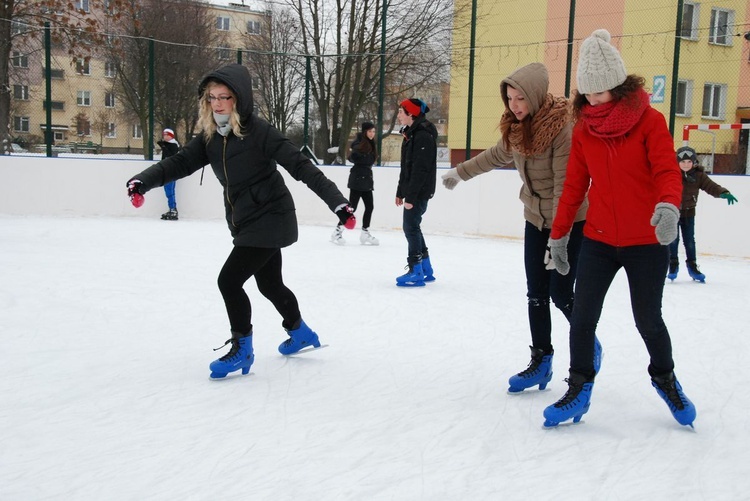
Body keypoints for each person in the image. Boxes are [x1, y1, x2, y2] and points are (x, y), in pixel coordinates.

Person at [126, 64, 355, 379]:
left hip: (272, 218)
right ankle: (300, 332)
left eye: (225, 97)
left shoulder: (258, 132)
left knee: (229, 281)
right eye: (212, 97)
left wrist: (338, 202)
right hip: (246, 221)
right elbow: (179, 162)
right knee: (270, 284)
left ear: (240, 99)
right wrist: (142, 181)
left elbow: (301, 166)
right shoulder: (210, 137)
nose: (217, 104)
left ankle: (242, 349)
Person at [544, 29, 696, 428]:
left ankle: (665, 379)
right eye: (586, 93)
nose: (592, 99)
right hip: (597, 240)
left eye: (599, 91)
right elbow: (575, 185)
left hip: (646, 241)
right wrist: (559, 234)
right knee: (582, 318)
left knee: (648, 319)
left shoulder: (649, 121)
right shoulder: (583, 129)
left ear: (619, 84)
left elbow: (667, 170)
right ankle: (579, 388)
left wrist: (667, 205)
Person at [441, 62, 601, 394]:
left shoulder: (562, 129)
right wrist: (460, 172)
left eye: (521, 98)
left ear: (536, 96)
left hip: (569, 221)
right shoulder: (517, 129)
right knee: (536, 294)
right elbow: (494, 156)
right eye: (510, 98)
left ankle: (589, 344)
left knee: (560, 292)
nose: (514, 105)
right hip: (534, 218)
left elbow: (564, 188)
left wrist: (558, 237)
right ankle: (541, 360)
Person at [668, 146, 738, 282]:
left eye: (689, 162)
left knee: (689, 241)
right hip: (673, 212)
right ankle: (673, 264)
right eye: (683, 162)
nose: (686, 165)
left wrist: (723, 193)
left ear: (694, 162)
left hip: (689, 213)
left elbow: (711, 186)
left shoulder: (698, 175)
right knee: (673, 240)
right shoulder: (672, 174)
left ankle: (692, 266)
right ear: (677, 162)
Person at [395, 98, 437, 287]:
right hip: (413, 191)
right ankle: (425, 268)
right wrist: (400, 192)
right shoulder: (411, 134)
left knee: (410, 228)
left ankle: (416, 270)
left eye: (401, 112)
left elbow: (421, 170)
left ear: (411, 114)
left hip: (419, 192)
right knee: (414, 227)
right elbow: (406, 167)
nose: (398, 115)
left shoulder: (422, 136)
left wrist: (410, 197)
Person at [331, 122, 379, 246]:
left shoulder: (371, 144)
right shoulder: (359, 145)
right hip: (357, 180)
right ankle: (337, 231)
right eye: (369, 131)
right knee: (352, 208)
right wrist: (360, 156)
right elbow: (352, 158)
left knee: (370, 206)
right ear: (364, 132)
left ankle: (365, 232)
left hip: (366, 180)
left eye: (373, 131)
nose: (372, 134)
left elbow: (369, 160)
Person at [157, 128, 180, 220]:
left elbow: (170, 156)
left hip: (171, 171)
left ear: (171, 136)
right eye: (164, 135)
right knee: (168, 190)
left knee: (169, 190)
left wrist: (164, 147)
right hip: (167, 170)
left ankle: (173, 209)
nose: (165, 137)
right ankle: (172, 208)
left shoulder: (174, 145)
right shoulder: (169, 145)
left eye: (167, 135)